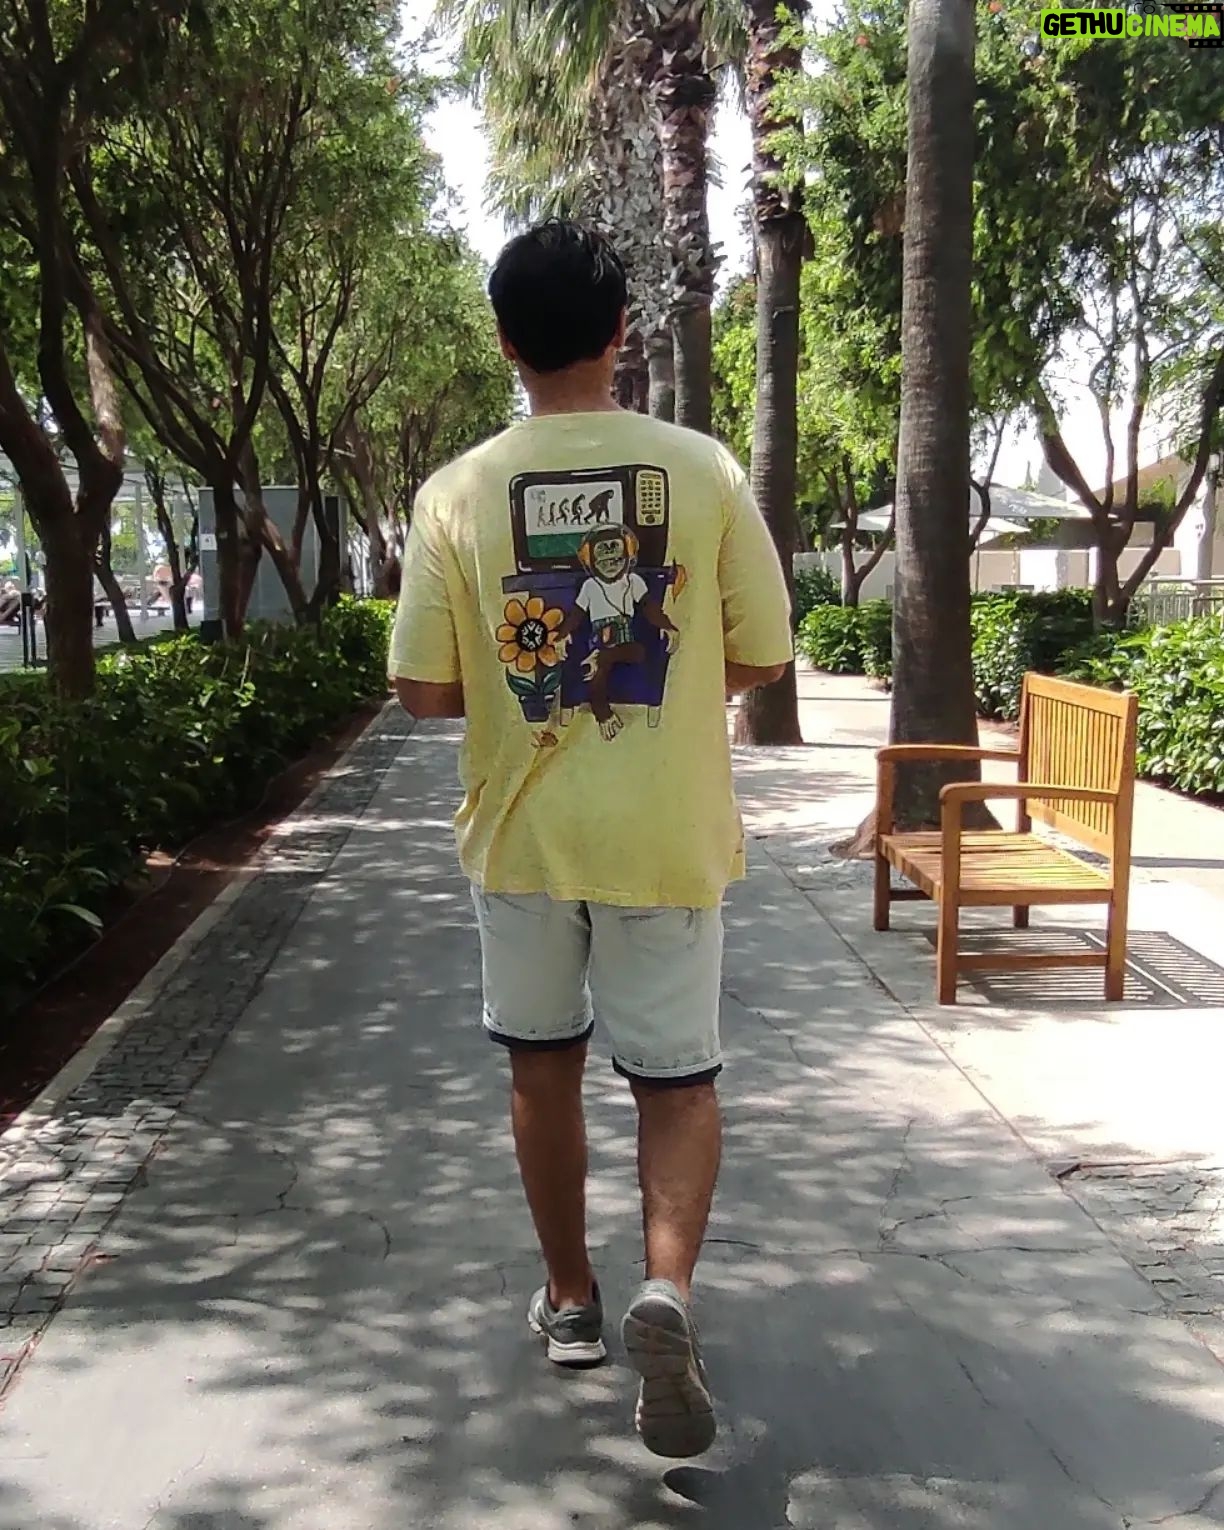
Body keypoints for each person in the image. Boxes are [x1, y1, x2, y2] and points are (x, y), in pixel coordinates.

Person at [389, 220, 793, 1460]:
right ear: (623, 331)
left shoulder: (456, 494)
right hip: (663, 834)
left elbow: (423, 690)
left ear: (503, 340)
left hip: (522, 839)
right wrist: (652, 676)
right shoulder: (702, 470)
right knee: (677, 1080)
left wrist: (532, 678)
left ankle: (571, 1301)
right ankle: (666, 1288)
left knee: (542, 1067)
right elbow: (764, 650)